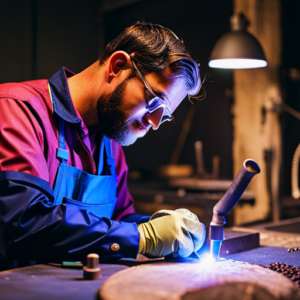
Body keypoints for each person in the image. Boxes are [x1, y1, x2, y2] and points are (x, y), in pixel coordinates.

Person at [0, 21, 206, 267]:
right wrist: (142, 237)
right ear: (118, 66)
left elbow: (118, 220)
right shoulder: (16, 109)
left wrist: (161, 226)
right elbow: (23, 224)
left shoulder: (111, 140)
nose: (155, 123)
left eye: (166, 114)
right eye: (155, 102)